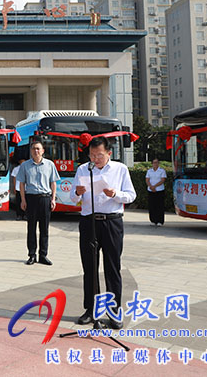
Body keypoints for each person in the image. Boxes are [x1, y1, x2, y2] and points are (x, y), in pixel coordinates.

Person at [70, 137, 136, 329]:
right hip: (89, 222)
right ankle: (90, 310)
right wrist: (78, 192)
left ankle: (114, 311)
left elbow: (131, 195)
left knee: (112, 267)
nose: (95, 159)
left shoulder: (120, 169)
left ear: (109, 153)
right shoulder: (83, 169)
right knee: (89, 267)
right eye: (91, 155)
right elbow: (72, 198)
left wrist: (115, 194)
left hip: (111, 222)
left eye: (99, 155)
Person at [17, 141, 59, 266]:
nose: (36, 151)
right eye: (34, 149)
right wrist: (23, 200)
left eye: (38, 149)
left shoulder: (50, 165)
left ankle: (43, 255)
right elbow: (22, 184)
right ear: (31, 151)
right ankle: (31, 255)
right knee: (31, 228)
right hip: (31, 199)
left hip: (45, 198)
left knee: (44, 229)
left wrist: (53, 199)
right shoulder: (25, 166)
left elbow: (53, 183)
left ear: (43, 151)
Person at [146, 159, 166, 226]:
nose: (155, 164)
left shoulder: (162, 171)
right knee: (152, 206)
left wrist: (155, 186)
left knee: (159, 206)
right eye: (154, 163)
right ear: (152, 163)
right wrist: (151, 186)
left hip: (159, 190)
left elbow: (162, 180)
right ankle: (153, 220)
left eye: (157, 162)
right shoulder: (149, 171)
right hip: (151, 190)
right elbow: (147, 180)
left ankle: (160, 221)